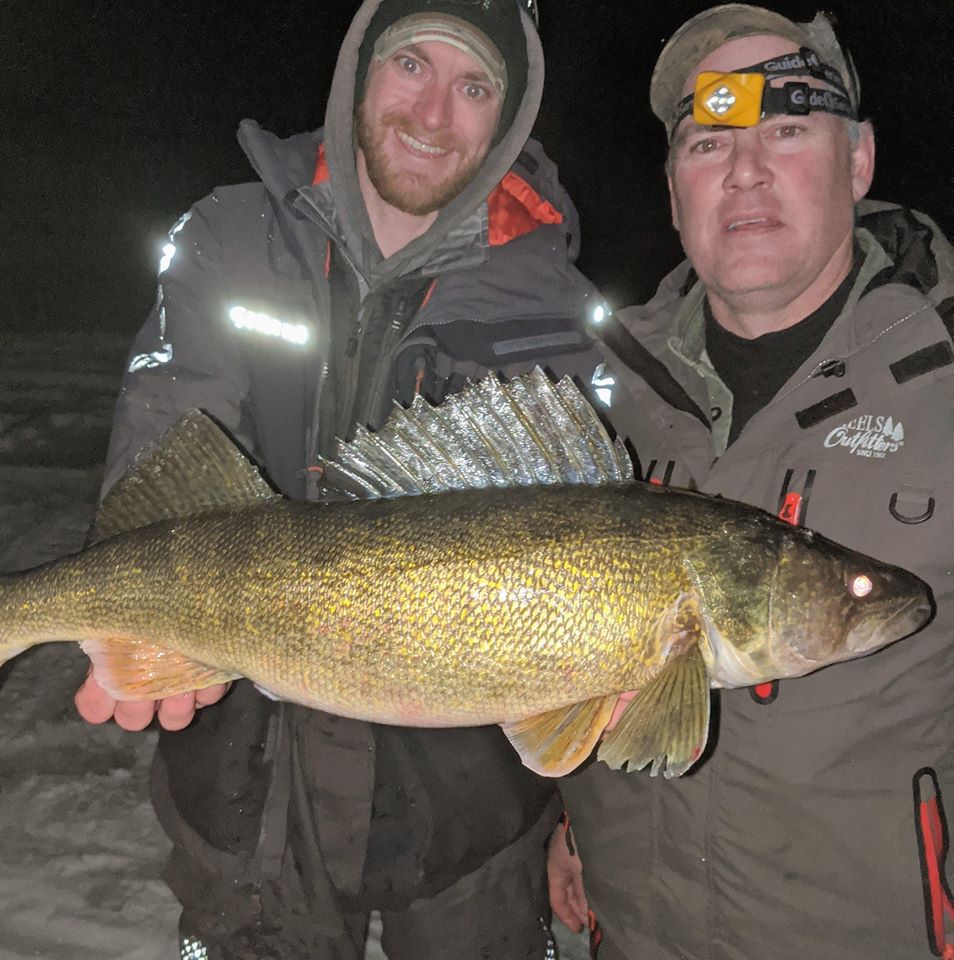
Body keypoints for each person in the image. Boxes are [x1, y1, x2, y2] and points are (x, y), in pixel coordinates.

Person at [74, 1, 603, 957]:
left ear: (509, 119)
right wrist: (136, 606)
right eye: (411, 65)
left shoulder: (557, 305)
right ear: (359, 69)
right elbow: (167, 452)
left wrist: (582, 808)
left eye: (474, 86)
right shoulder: (229, 235)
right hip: (248, 789)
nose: (434, 113)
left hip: (471, 811)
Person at [549, 5, 954, 959]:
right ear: (673, 187)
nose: (745, 169)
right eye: (708, 141)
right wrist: (571, 818)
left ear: (857, 163)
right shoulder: (600, 397)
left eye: (788, 129)